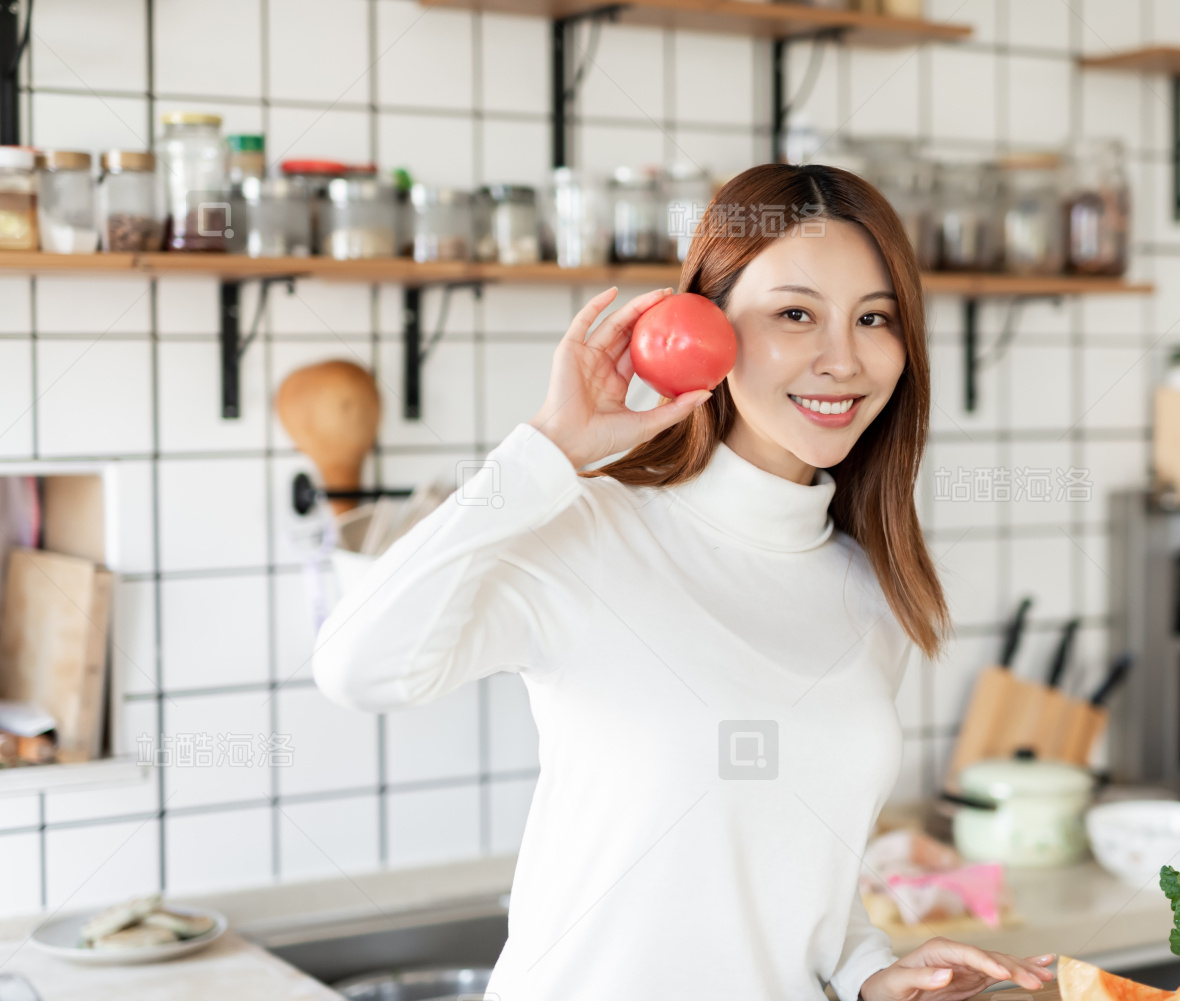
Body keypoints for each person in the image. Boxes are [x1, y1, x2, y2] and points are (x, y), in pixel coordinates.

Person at [313, 163, 1055, 1000]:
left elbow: (795, 883)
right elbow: (357, 665)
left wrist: (869, 971)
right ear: (706, 323)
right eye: (795, 314)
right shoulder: (590, 528)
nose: (842, 359)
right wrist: (549, 447)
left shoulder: (868, 588)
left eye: (873, 318)